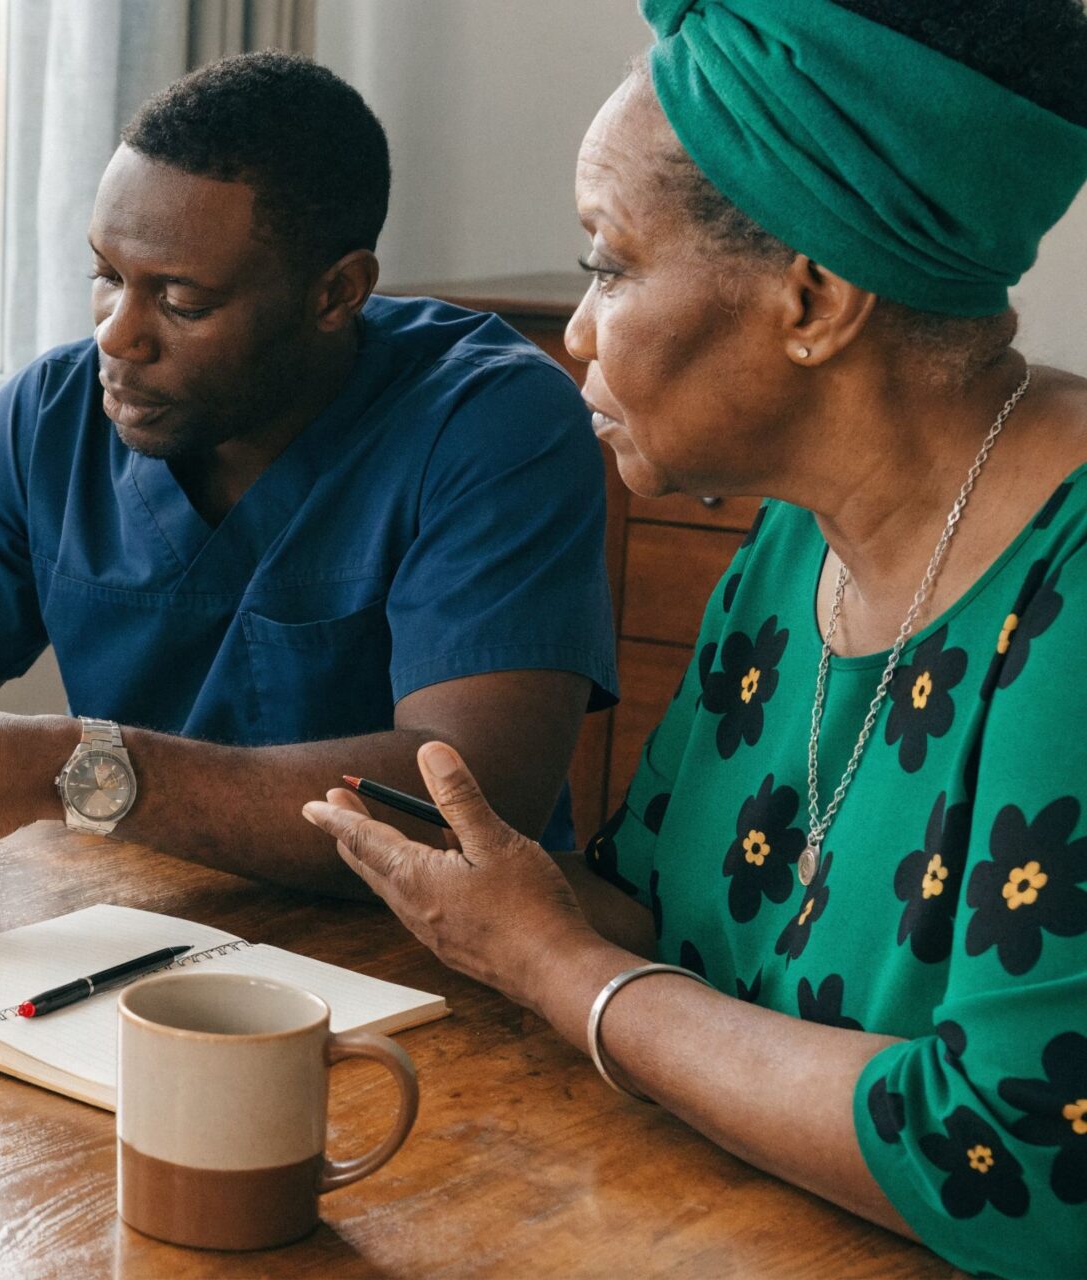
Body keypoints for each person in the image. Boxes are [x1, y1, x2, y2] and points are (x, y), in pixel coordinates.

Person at [300, 1, 1087, 1273]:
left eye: (607, 265)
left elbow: (1016, 1163)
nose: (572, 330)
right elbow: (665, 917)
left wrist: (557, 966)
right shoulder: (796, 540)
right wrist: (485, 893)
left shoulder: (1076, 594)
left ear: (813, 299)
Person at [0, 53, 617, 897]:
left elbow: (468, 809)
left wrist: (72, 766)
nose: (117, 335)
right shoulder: (44, 422)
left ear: (336, 294)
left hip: (436, 960)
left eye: (182, 301)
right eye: (107, 275)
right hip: (144, 933)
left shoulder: (492, 424)